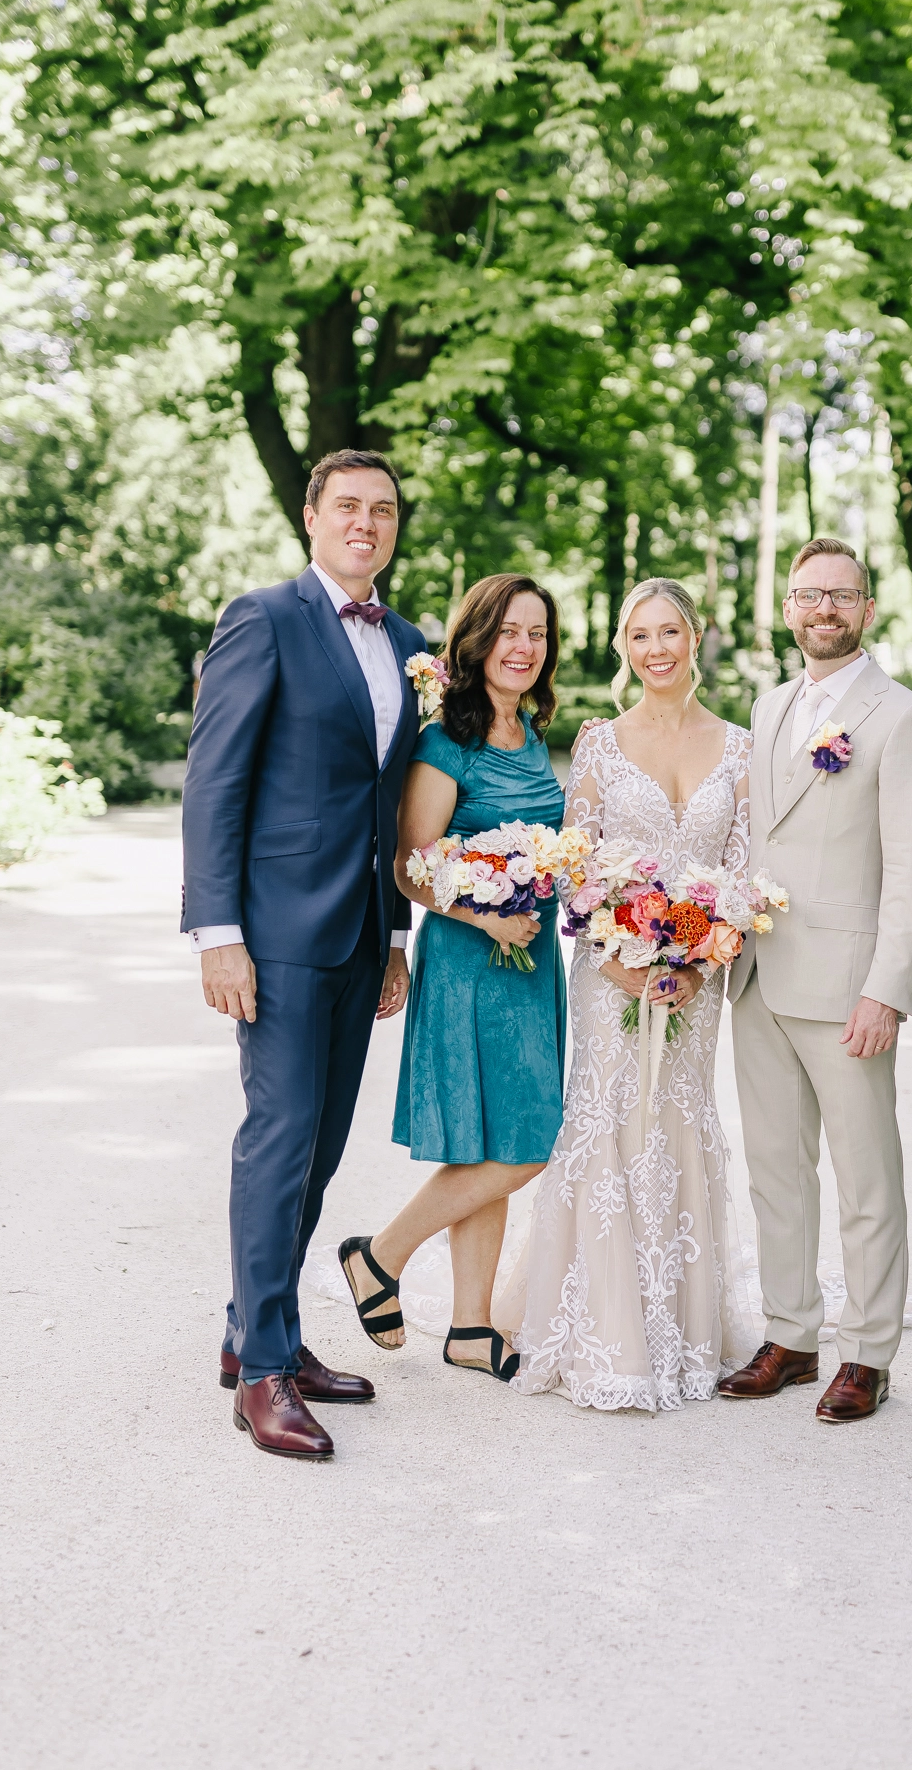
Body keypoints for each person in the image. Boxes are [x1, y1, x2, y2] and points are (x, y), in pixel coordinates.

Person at [181, 449, 425, 1462]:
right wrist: (218, 934)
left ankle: (254, 1329)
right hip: (276, 933)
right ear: (312, 518)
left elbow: (392, 801)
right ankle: (266, 1376)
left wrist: (397, 935)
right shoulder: (263, 618)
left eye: (384, 510)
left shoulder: (408, 643)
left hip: (362, 931)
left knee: (321, 1146)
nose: (366, 522)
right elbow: (215, 780)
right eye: (348, 506)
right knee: (279, 1139)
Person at [511, 578, 753, 1411]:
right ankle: (607, 1335)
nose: (656, 650)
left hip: (695, 979)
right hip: (610, 974)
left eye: (670, 633)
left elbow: (742, 876)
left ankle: (681, 1328)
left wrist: (699, 963)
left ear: (696, 637)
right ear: (624, 647)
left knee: (678, 1120)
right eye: (640, 636)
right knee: (612, 1118)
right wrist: (617, 958)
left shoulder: (741, 749)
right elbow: (574, 868)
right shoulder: (600, 746)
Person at [720, 538, 912, 1423]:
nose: (824, 609)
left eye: (841, 596)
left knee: (865, 1177)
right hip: (759, 975)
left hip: (848, 985)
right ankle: (790, 1336)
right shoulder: (770, 704)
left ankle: (868, 1352)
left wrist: (888, 988)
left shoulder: (903, 718)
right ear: (788, 608)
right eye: (809, 594)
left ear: (868, 610)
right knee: (776, 1170)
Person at [339, 575, 566, 1383]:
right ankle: (380, 1254)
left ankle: (471, 1326)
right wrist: (485, 916)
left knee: (495, 1142)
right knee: (531, 1145)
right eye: (508, 631)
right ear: (477, 639)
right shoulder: (446, 740)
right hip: (474, 962)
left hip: (532, 962)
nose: (522, 646)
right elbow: (409, 863)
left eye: (537, 633)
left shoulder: (531, 731)